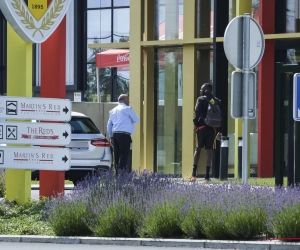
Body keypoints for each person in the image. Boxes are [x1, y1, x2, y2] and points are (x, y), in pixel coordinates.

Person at [191, 83, 222, 183]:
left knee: (198, 150)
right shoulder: (217, 101)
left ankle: (193, 175)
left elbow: (197, 113)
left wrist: (195, 124)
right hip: (212, 129)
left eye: (202, 89)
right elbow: (221, 116)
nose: (200, 90)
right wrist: (219, 130)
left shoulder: (201, 99)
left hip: (201, 128)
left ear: (206, 90)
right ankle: (207, 177)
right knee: (209, 151)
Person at [107, 94, 140, 174]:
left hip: (115, 135)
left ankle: (116, 175)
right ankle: (122, 176)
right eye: (128, 99)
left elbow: (109, 125)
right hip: (124, 135)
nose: (129, 101)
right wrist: (130, 121)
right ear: (125, 100)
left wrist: (111, 137)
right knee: (124, 156)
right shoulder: (127, 109)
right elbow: (137, 120)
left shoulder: (113, 111)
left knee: (116, 156)